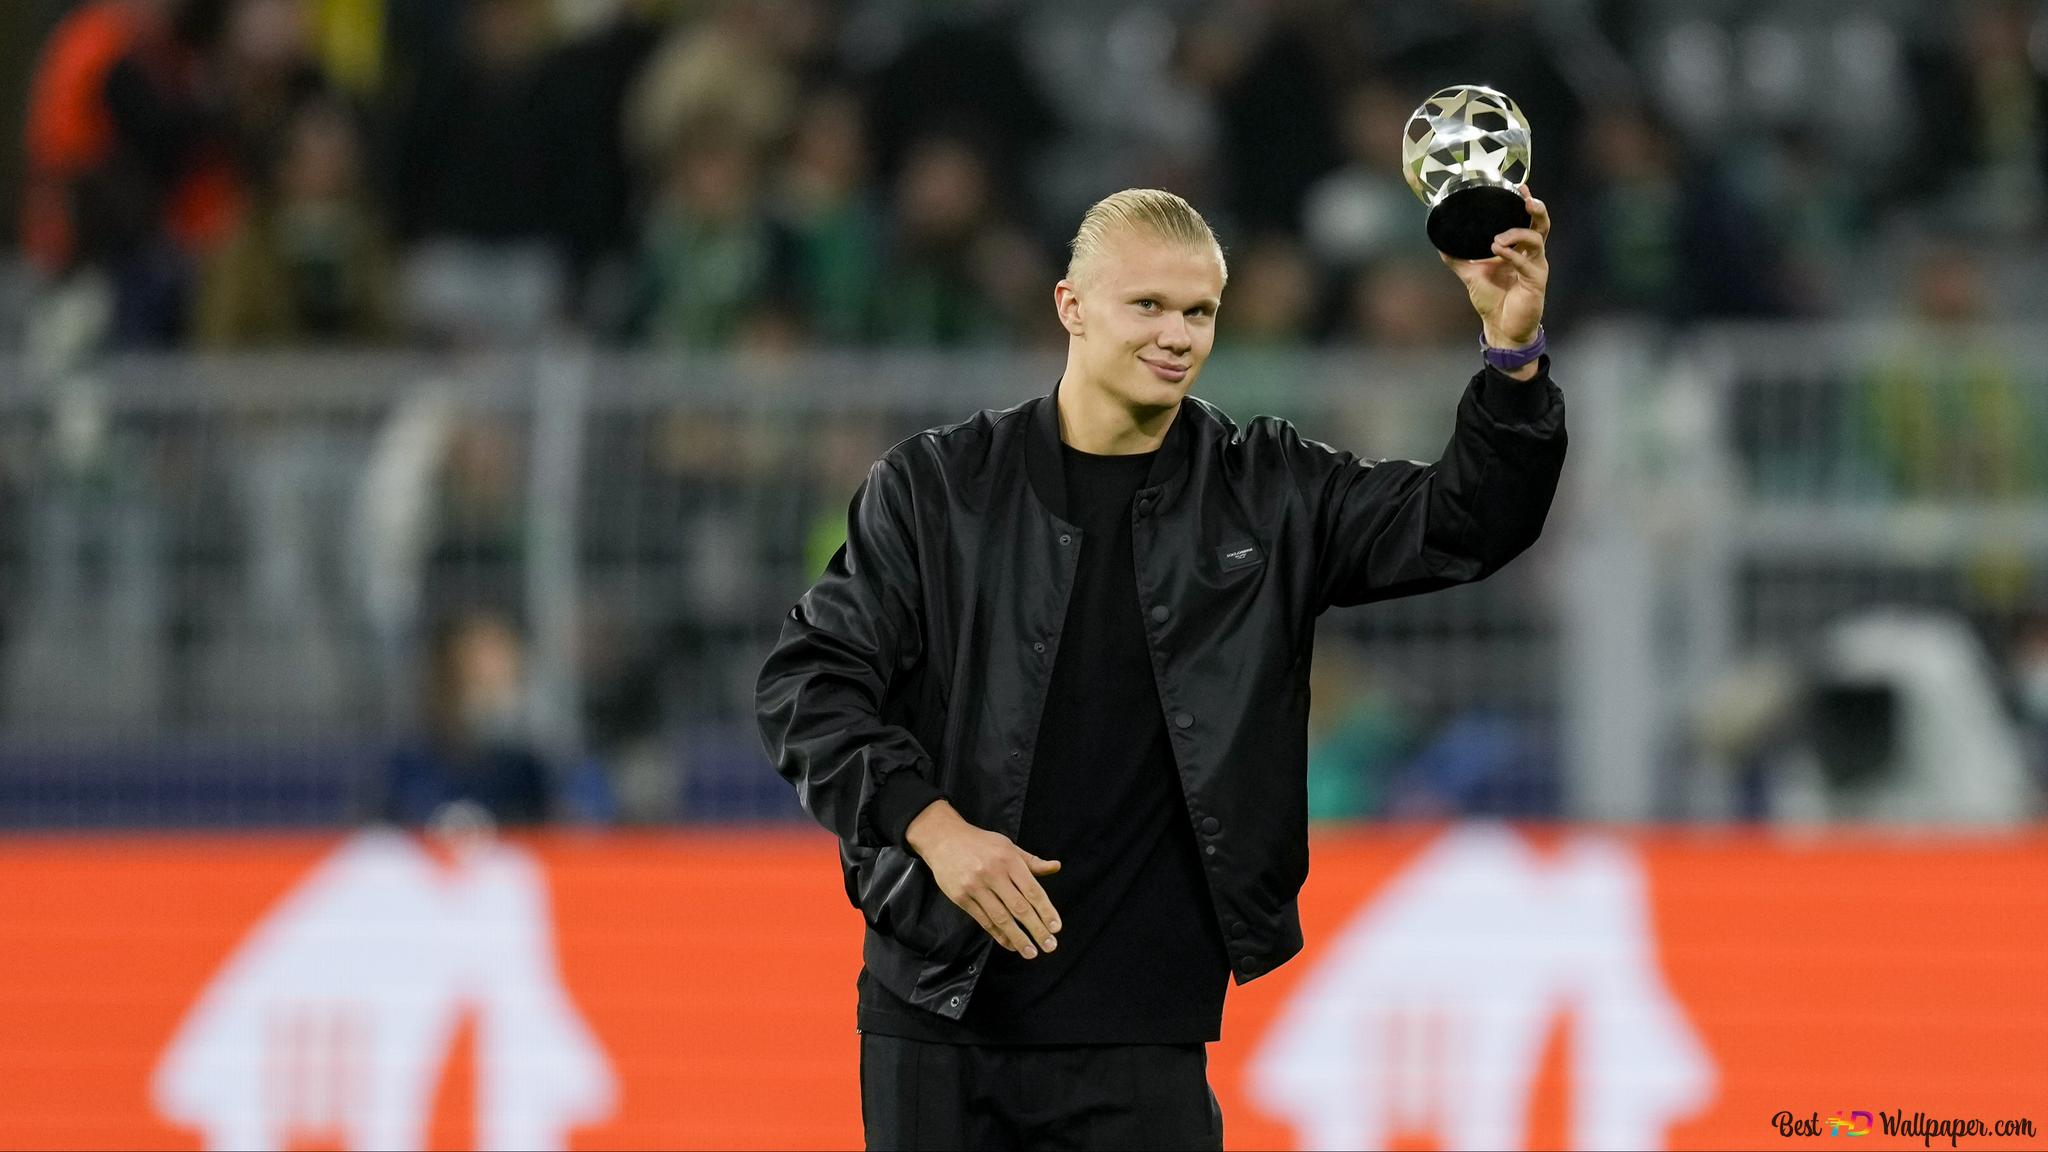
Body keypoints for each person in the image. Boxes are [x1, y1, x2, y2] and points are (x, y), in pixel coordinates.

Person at [756, 186, 1565, 1150]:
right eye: (1147, 305)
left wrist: (1512, 359)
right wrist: (931, 827)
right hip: (941, 1014)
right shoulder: (937, 489)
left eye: (1200, 312)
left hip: (1148, 1031)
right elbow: (807, 685)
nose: (1176, 334)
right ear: (1071, 305)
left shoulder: (1264, 489)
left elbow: (1464, 526)